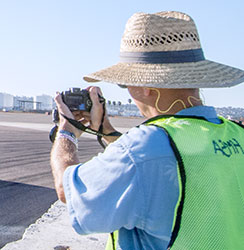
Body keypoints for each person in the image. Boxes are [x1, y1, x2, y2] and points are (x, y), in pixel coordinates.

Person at [50, 11, 244, 249]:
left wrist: (67, 130)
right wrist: (105, 129)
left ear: (147, 85)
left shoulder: (145, 146)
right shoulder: (237, 135)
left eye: (126, 81)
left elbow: (66, 190)